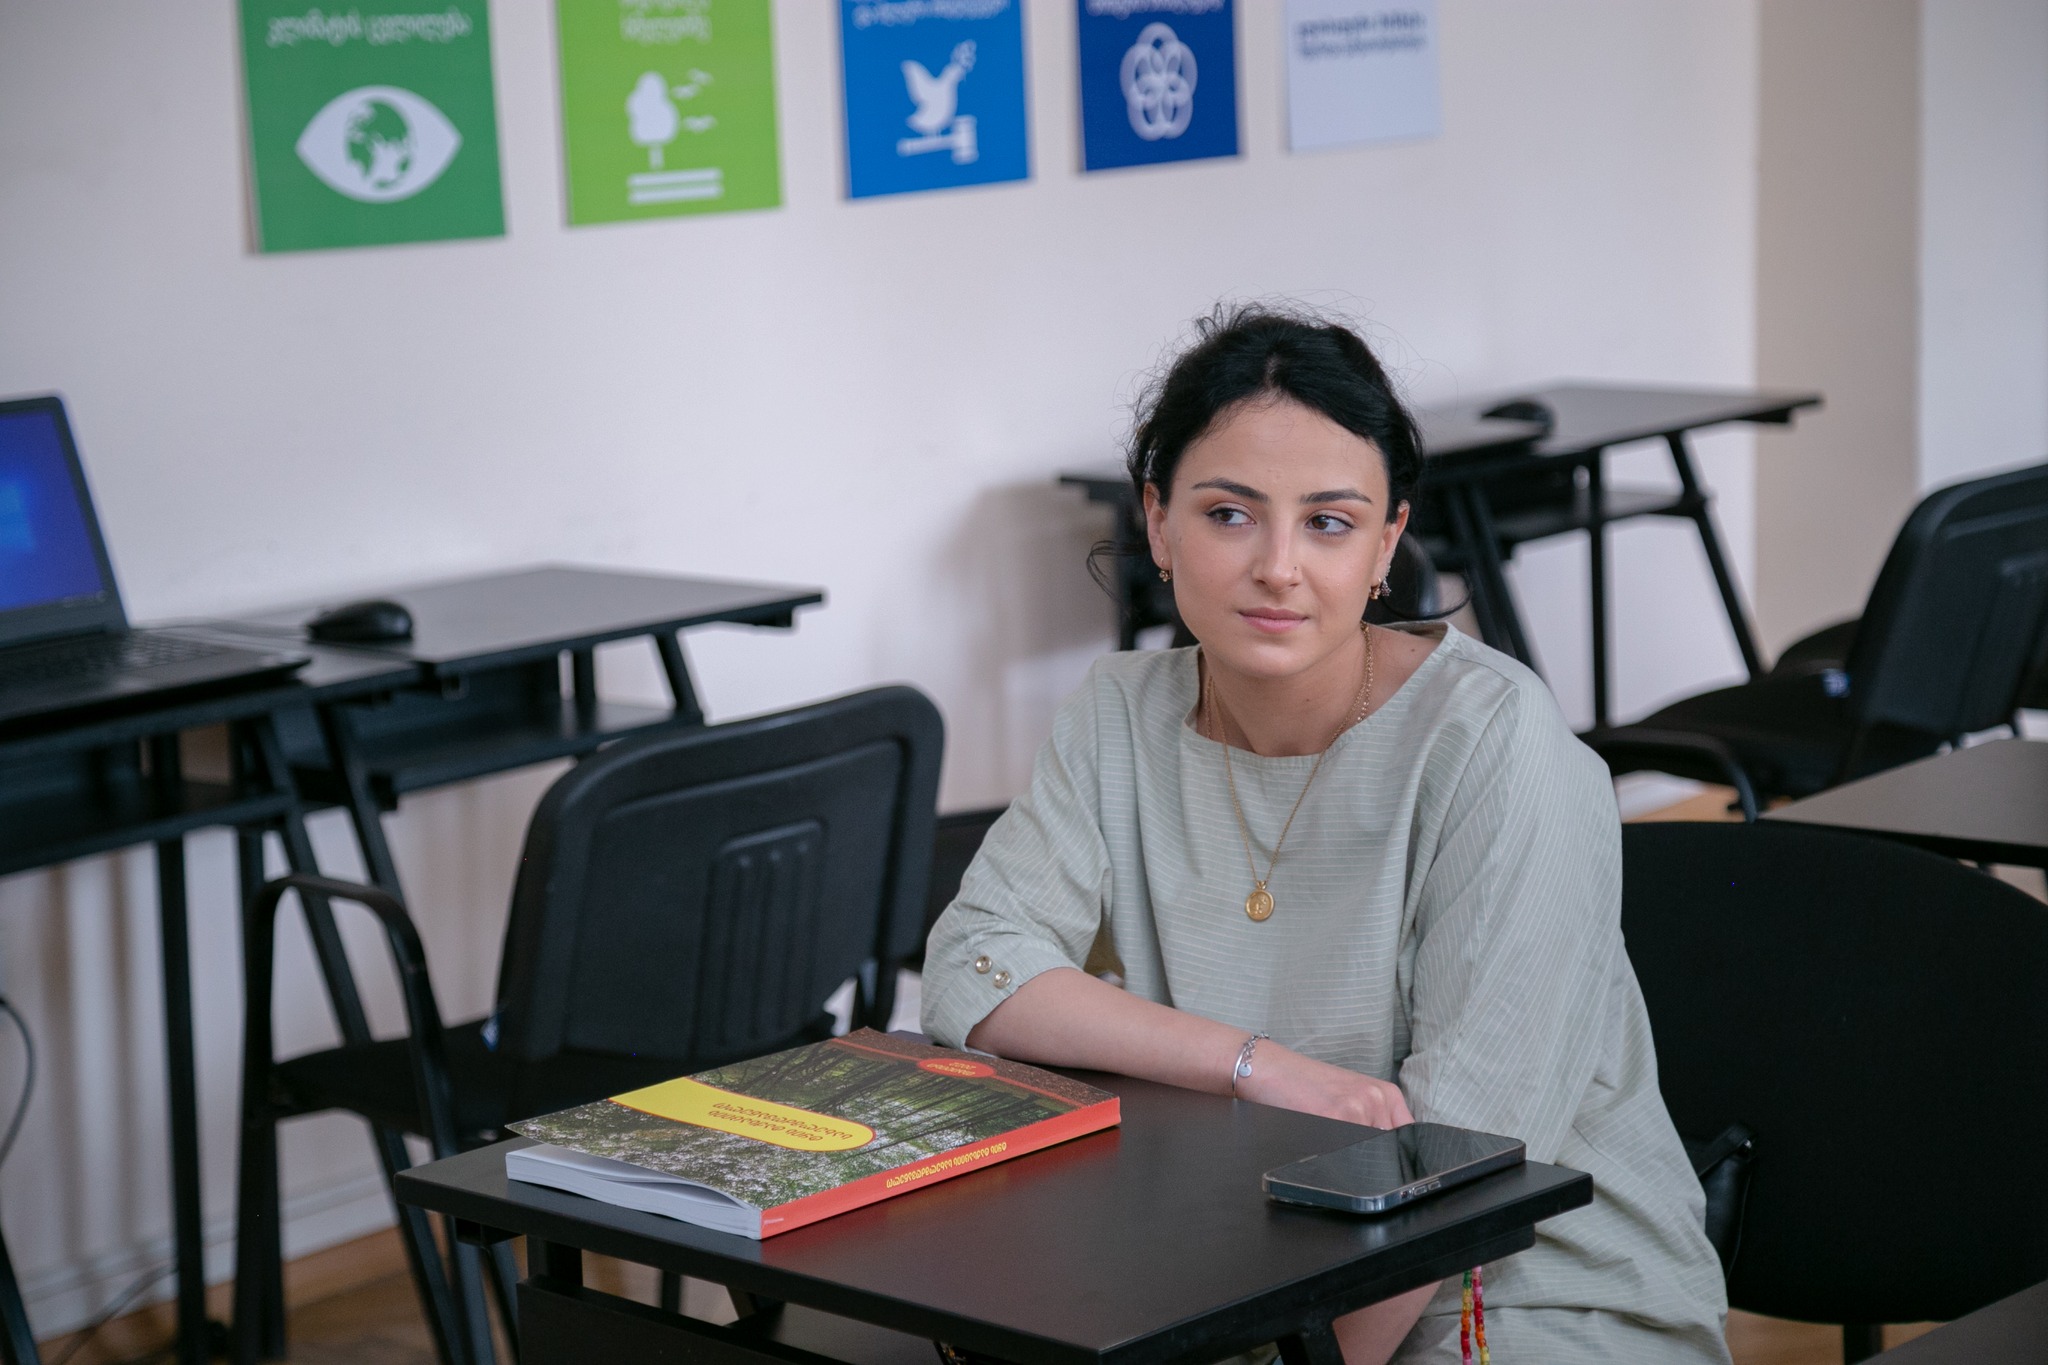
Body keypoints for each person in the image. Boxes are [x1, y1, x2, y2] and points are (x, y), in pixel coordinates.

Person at [922, 307, 1730, 1365]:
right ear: (1157, 523)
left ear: (1387, 543)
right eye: (1228, 514)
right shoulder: (1119, 712)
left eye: (1329, 523)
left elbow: (1456, 1166)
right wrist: (1253, 1067)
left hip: (1519, 1299)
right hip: (1237, 1281)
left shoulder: (1494, 741)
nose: (1278, 567)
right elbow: (975, 968)